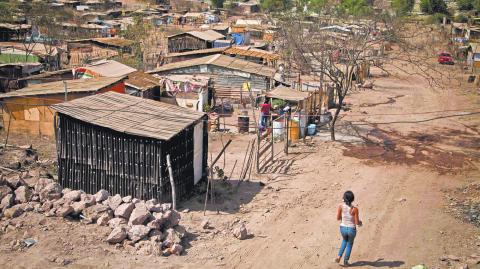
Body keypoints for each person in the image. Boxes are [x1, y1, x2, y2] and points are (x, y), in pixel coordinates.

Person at [336, 191, 362, 266]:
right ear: (352, 199)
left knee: (344, 240)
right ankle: (346, 261)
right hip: (351, 229)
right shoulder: (355, 209)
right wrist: (360, 222)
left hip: (343, 228)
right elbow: (357, 222)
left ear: (344, 198)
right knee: (349, 244)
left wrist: (344, 217)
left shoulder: (341, 206)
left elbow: (338, 218)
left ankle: (339, 256)